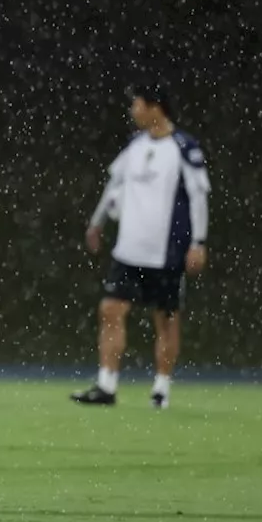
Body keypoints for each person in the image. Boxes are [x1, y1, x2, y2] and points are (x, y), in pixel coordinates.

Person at [73, 83, 210, 408]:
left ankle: (161, 389)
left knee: (166, 318)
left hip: (167, 251)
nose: (133, 111)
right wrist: (96, 222)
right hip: (129, 249)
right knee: (110, 309)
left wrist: (198, 242)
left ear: (155, 107)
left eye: (137, 104)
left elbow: (198, 197)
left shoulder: (184, 147)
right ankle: (107, 385)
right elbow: (114, 184)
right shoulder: (134, 145)